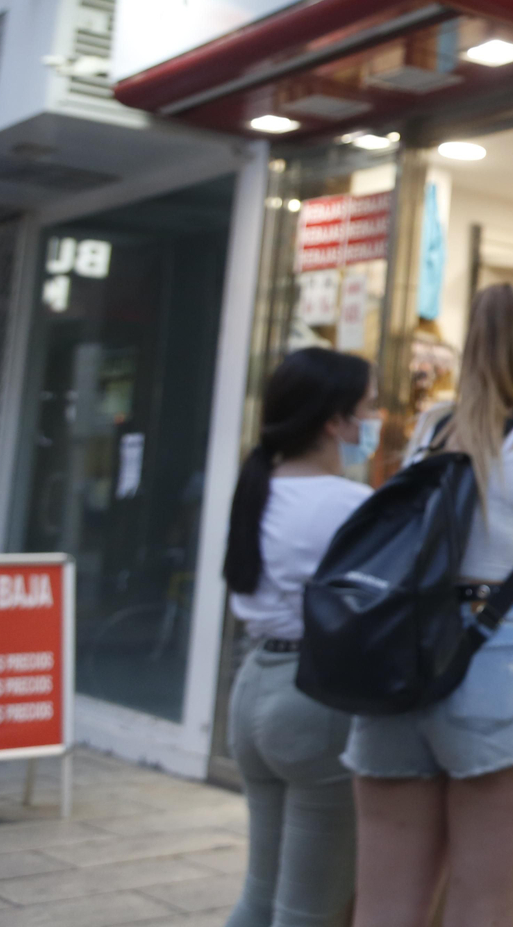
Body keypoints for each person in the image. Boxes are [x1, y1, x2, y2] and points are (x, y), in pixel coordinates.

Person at [344, 285, 513, 927]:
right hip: (501, 653)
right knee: (485, 914)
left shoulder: (433, 428)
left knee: (384, 912)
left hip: (400, 656)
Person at [223, 347, 378, 927]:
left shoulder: (256, 489)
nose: (375, 419)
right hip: (314, 702)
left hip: (253, 686)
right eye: (369, 406)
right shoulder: (349, 503)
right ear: (334, 421)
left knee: (259, 897)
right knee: (307, 912)